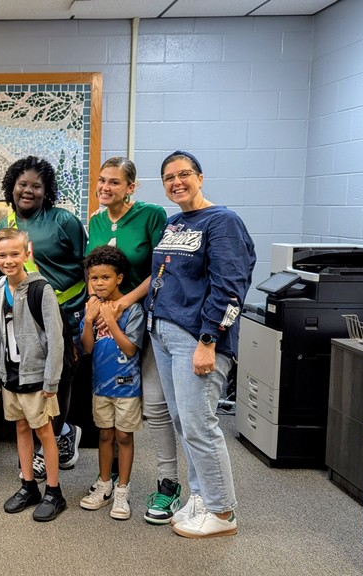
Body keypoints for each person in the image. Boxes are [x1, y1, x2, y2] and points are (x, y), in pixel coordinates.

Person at [147, 150, 255, 538]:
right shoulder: (174, 223)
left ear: (201, 177)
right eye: (168, 177)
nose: (177, 182)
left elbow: (231, 287)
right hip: (163, 332)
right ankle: (201, 496)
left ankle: (223, 512)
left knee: (200, 425)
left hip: (197, 336)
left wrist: (209, 340)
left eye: (184, 174)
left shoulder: (222, 221)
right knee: (183, 422)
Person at [85, 157, 179, 524]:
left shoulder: (151, 214)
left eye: (114, 182)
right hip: (107, 318)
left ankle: (166, 482)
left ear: (131, 187)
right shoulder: (94, 220)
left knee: (152, 405)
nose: (106, 187)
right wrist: (98, 308)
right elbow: (94, 269)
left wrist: (124, 302)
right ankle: (105, 481)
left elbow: (160, 267)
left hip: (142, 313)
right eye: (102, 181)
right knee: (105, 420)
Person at [0, 156, 87, 478]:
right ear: (12, 187)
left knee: (59, 379)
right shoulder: (4, 227)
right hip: (27, 319)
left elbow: (85, 267)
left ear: (47, 191)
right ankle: (39, 447)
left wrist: (83, 310)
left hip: (67, 313)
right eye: (22, 185)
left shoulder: (64, 221)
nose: (28, 191)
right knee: (30, 385)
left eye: (36, 186)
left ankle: (61, 435)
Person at [0, 228, 67, 522]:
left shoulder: (40, 289)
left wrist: (51, 380)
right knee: (20, 428)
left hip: (38, 376)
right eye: (3, 255)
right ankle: (28, 485)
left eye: (15, 254)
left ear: (27, 254)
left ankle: (54, 492)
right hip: (11, 374)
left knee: (44, 432)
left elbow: (56, 339)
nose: (9, 260)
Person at [78, 246, 144, 520]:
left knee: (123, 436)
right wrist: (90, 320)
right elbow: (88, 348)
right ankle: (104, 485)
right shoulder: (91, 307)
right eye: (94, 278)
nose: (99, 283)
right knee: (104, 435)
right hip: (100, 386)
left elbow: (130, 350)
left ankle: (122, 490)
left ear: (119, 278)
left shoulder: (133, 310)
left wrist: (110, 322)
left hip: (127, 387)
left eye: (105, 277)